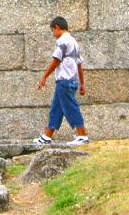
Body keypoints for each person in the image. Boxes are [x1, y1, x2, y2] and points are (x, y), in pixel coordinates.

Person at [33, 16, 89, 147]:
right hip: (71, 80)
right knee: (56, 109)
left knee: (71, 108)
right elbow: (79, 65)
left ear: (57, 27)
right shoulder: (74, 42)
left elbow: (56, 60)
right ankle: (47, 136)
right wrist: (82, 83)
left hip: (64, 80)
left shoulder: (63, 41)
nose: (53, 34)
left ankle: (82, 135)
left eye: (53, 31)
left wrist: (44, 77)